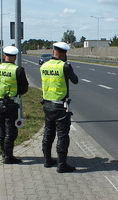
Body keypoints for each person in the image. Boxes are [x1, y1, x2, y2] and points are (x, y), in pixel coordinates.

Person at [40, 42, 78, 173]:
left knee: (48, 133)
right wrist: (69, 68)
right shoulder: (65, 66)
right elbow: (75, 80)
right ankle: (62, 165)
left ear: (53, 51)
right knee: (62, 136)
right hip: (60, 107)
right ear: (64, 53)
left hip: (47, 105)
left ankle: (47, 160)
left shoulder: (44, 65)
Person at [0, 46, 29, 164]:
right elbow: (24, 88)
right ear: (15, 57)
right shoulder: (18, 70)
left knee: (1, 129)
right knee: (11, 131)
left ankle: (4, 153)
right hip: (11, 104)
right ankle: (8, 157)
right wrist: (16, 93)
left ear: (4, 56)